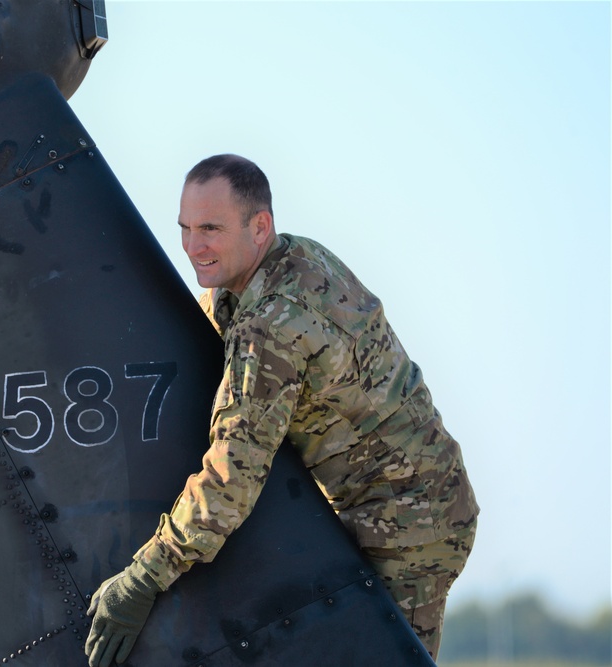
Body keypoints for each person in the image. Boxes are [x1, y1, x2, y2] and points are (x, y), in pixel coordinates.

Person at [85, 154, 479, 666]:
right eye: (184, 228)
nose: (193, 247)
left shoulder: (270, 327)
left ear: (260, 225)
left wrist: (140, 580)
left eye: (210, 228)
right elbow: (225, 316)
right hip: (407, 501)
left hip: (410, 525)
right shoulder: (292, 260)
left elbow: (231, 479)